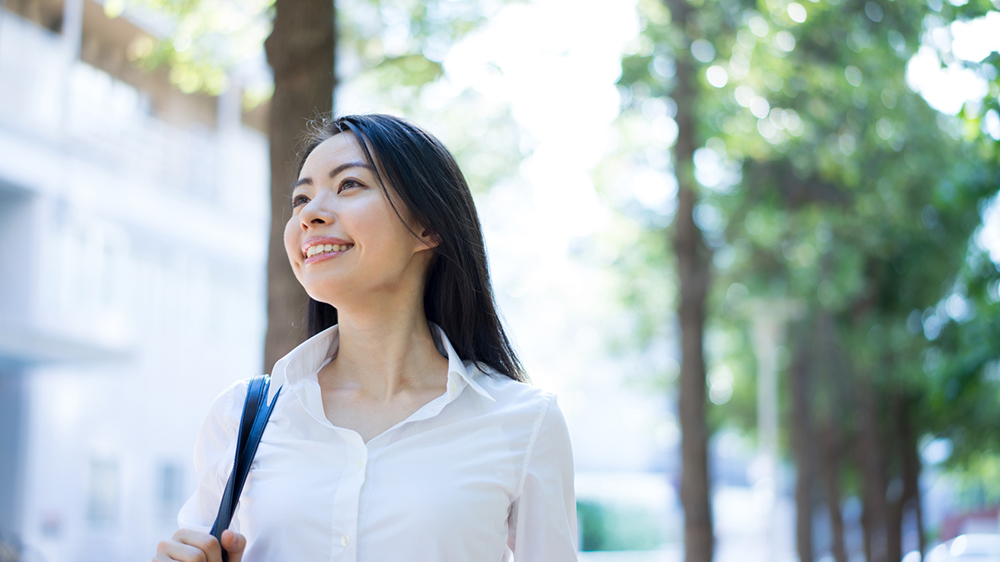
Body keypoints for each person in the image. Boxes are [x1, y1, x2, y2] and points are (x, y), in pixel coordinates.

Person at [152, 114, 578, 562]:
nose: (310, 214)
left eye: (349, 185)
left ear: (427, 226)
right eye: (301, 198)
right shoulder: (242, 417)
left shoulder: (525, 423)